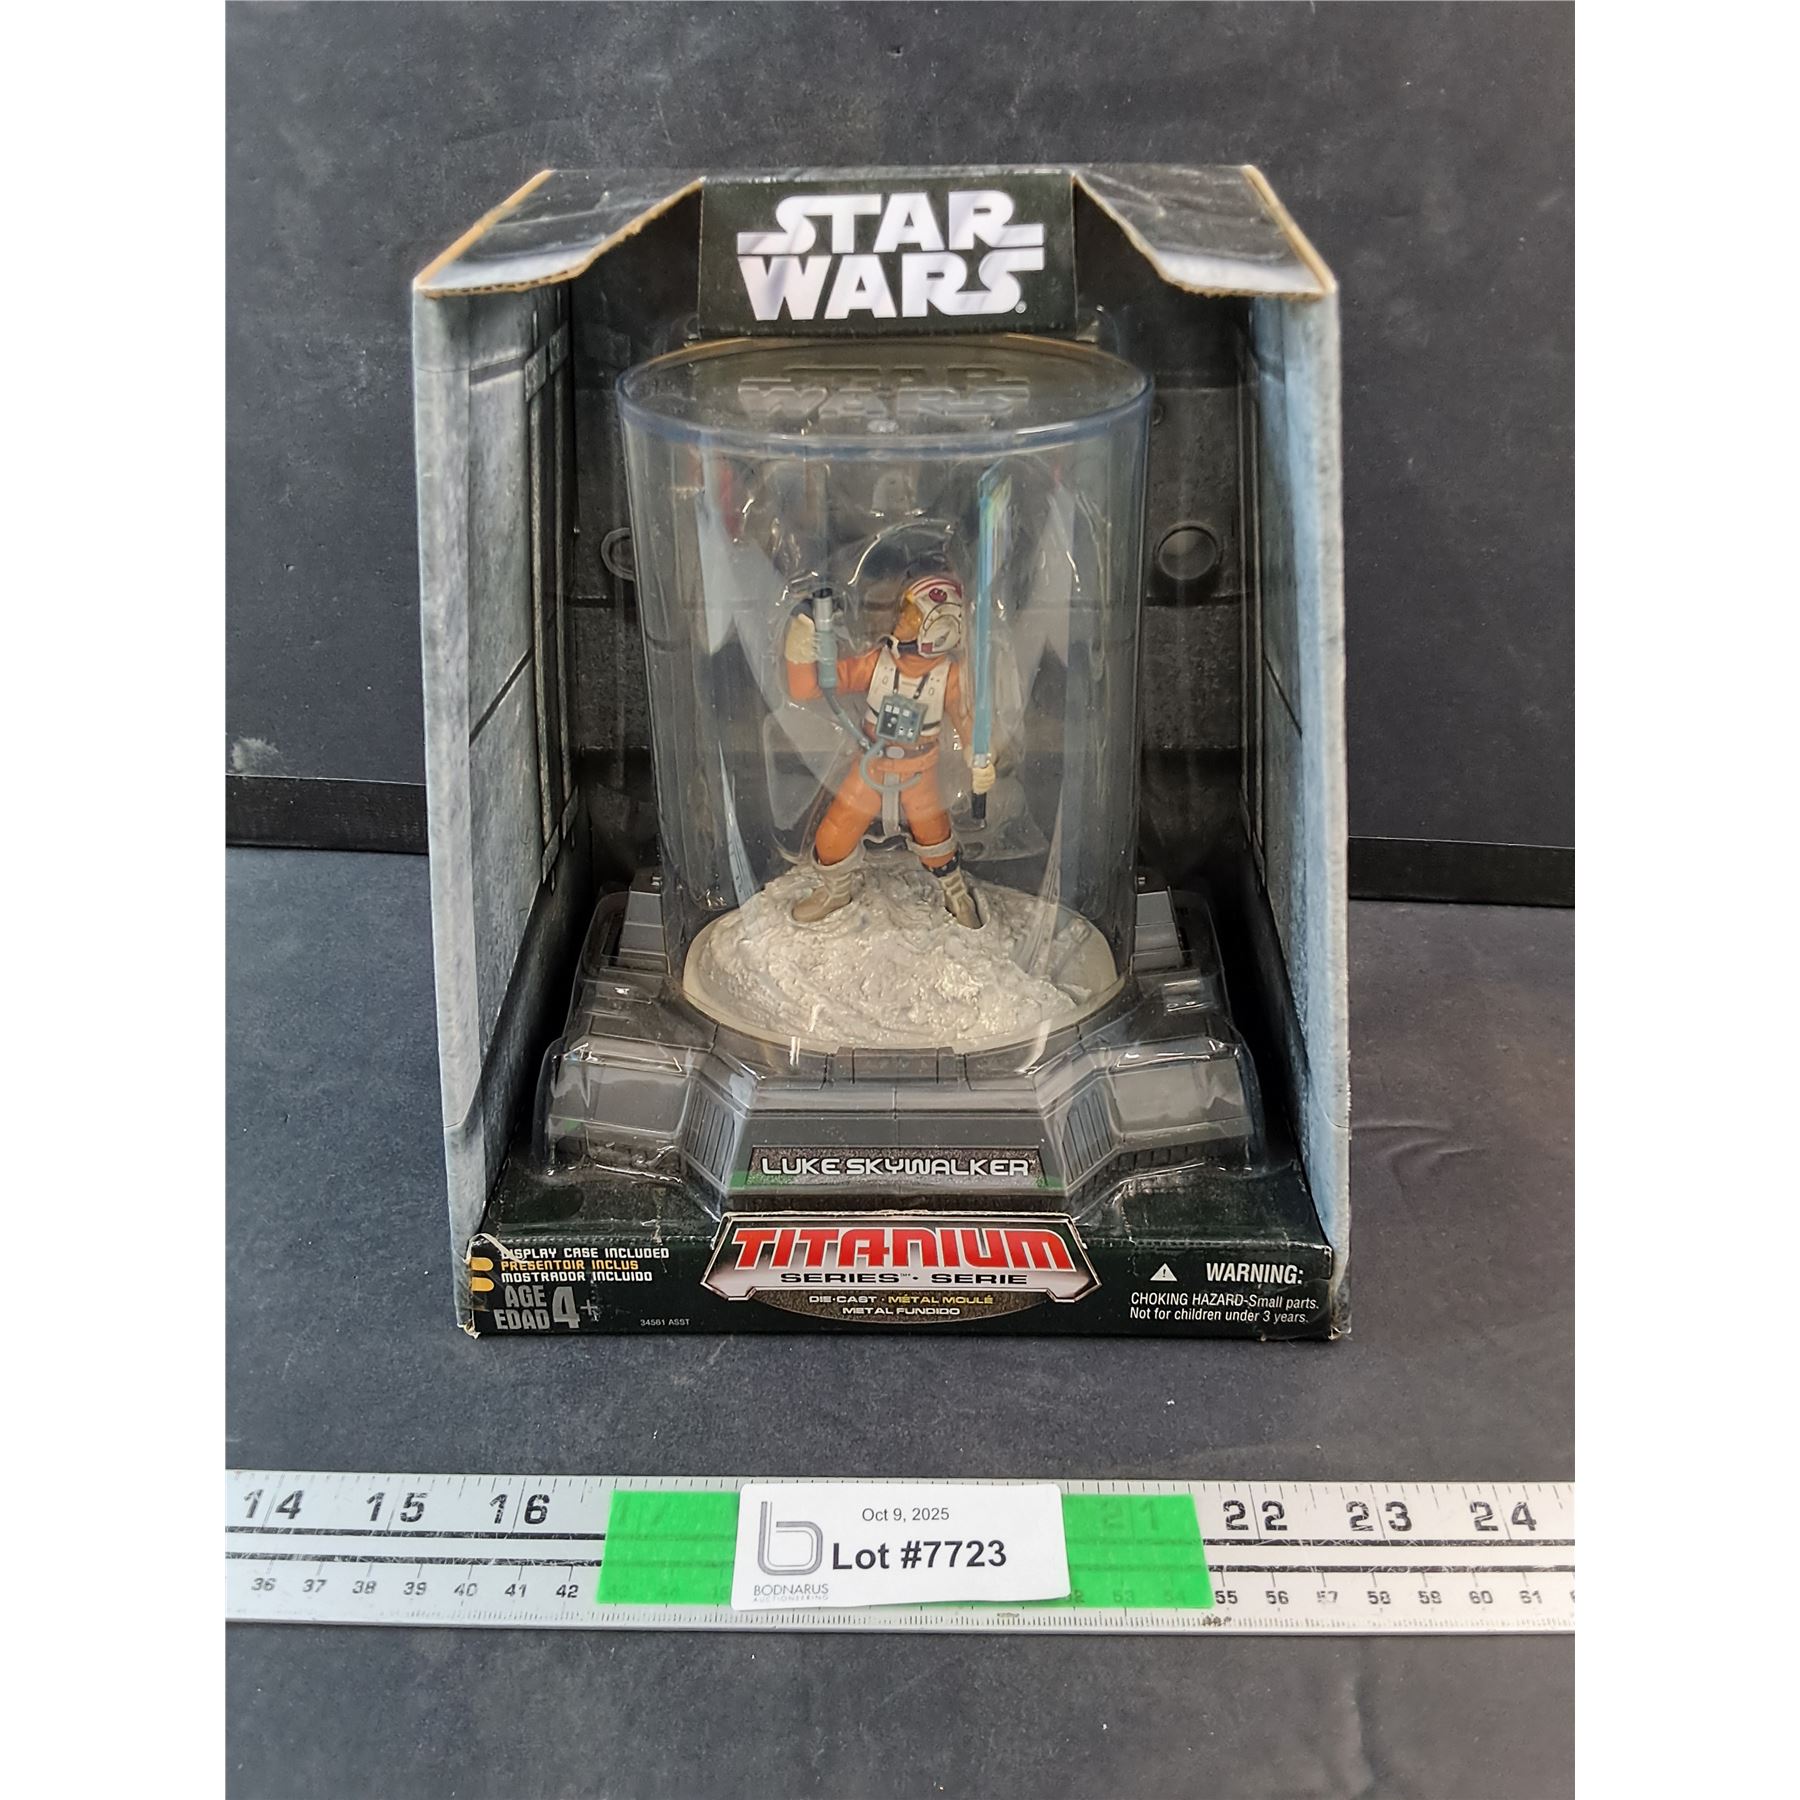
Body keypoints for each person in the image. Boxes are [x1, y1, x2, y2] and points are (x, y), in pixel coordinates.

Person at [783, 571, 994, 927]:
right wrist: (802, 647)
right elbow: (812, 688)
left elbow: (967, 720)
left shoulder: (949, 676)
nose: (900, 621)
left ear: (939, 627)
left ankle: (954, 891)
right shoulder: (878, 662)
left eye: (911, 617)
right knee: (833, 837)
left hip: (918, 771)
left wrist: (980, 759)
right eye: (904, 613)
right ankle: (835, 891)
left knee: (936, 838)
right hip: (873, 765)